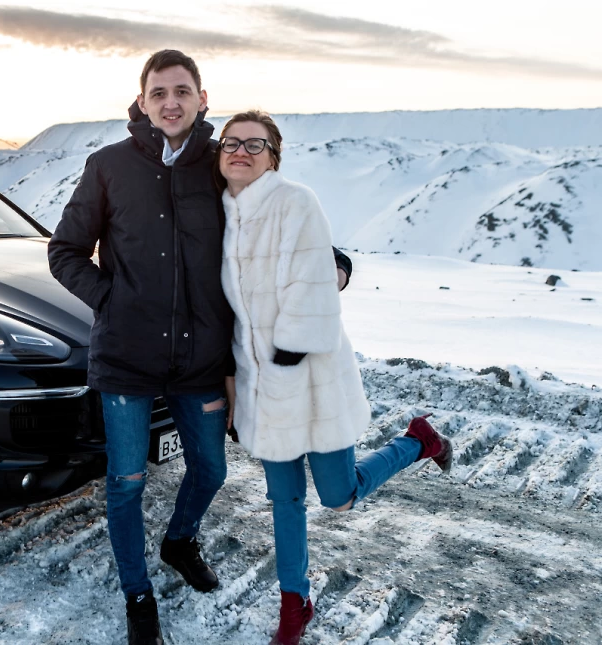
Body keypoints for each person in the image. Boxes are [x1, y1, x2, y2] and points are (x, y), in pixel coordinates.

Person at [49, 50, 351, 645]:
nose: (171, 102)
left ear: (202, 99)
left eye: (182, 91)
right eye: (159, 92)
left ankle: (180, 540)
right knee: (126, 482)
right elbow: (65, 251)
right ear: (142, 102)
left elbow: (276, 216)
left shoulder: (219, 163)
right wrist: (112, 300)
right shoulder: (108, 166)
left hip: (200, 360)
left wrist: (329, 262)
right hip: (127, 359)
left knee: (210, 469)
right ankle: (138, 596)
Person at [216, 111, 452, 645]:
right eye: (231, 142)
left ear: (273, 156)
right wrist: (232, 382)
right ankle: (294, 604)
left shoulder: (294, 202)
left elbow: (323, 262)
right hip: (259, 385)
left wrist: (329, 279)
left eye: (255, 144)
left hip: (311, 381)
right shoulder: (218, 215)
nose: (241, 151)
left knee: (339, 497)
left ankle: (418, 441)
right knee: (285, 502)